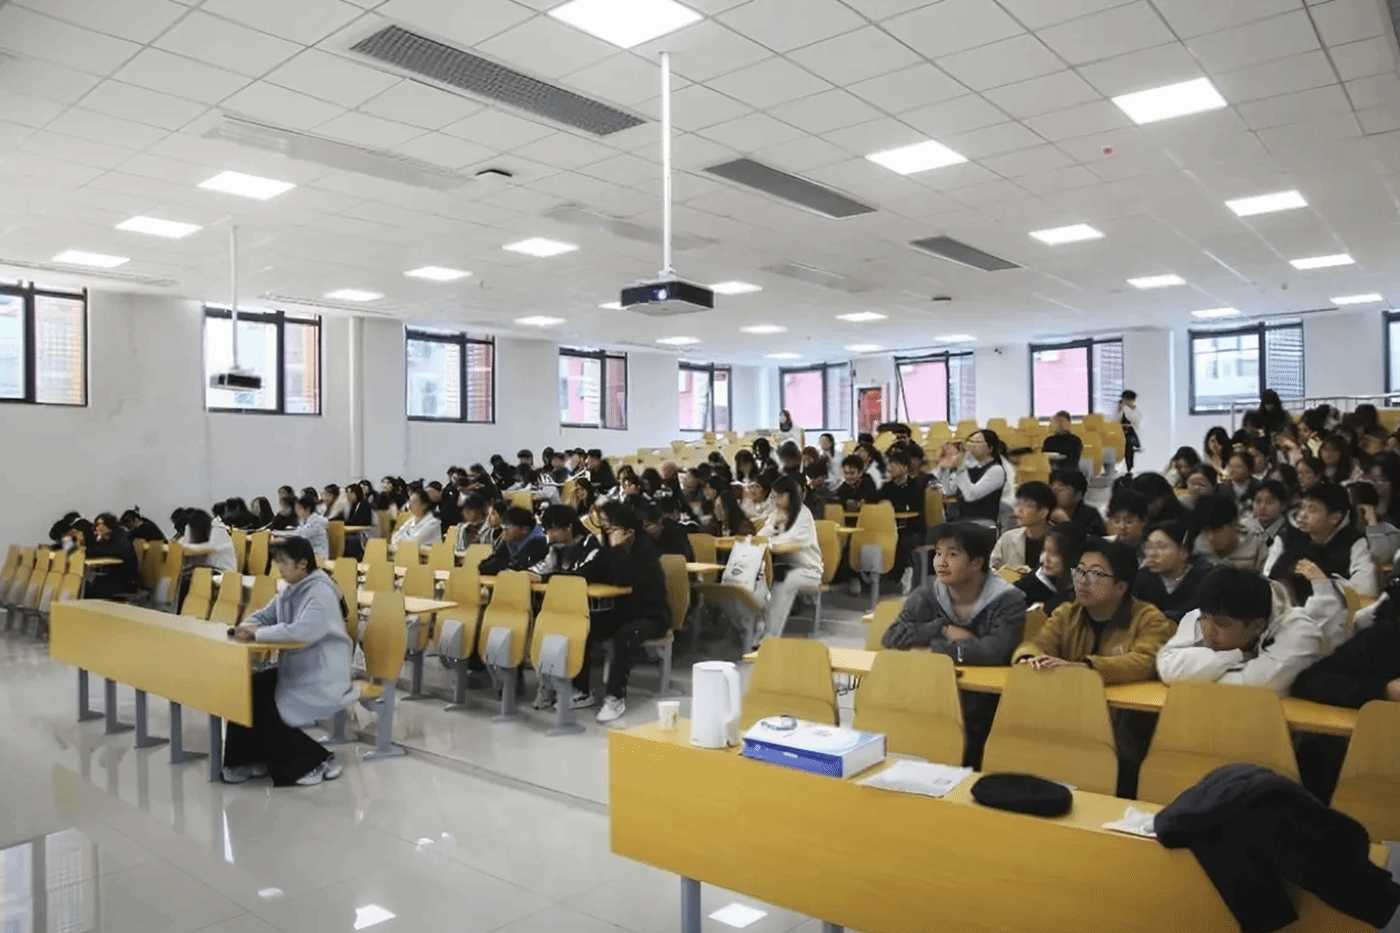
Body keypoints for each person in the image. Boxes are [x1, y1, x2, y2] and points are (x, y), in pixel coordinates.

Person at [223, 537, 354, 787]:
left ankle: (314, 761)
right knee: (248, 688)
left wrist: (257, 634)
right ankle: (245, 759)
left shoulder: (321, 592)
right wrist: (246, 626)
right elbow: (267, 615)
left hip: (323, 672)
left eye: (283, 562)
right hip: (298, 668)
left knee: (267, 702)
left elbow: (301, 632)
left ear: (302, 563)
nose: (279, 568)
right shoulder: (290, 589)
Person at [1013, 538, 1174, 682]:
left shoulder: (1148, 618)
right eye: (1080, 571)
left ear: (1120, 587)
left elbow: (1146, 661)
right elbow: (1039, 643)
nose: (1083, 581)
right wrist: (1028, 658)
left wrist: (1087, 667)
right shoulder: (1067, 613)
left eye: (1096, 573)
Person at [1158, 565, 1334, 696]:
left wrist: (1196, 675)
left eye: (1222, 624)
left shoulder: (1300, 632)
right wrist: (1238, 655)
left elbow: (1258, 687)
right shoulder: (1207, 614)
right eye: (1203, 618)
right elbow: (1168, 668)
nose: (1208, 631)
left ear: (1257, 626)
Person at [568, 502, 671, 724]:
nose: (607, 532)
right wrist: (548, 577)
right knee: (584, 625)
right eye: (605, 528)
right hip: (623, 613)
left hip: (651, 616)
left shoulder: (647, 555)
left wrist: (616, 549)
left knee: (625, 635)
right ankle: (581, 691)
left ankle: (615, 697)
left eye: (611, 528)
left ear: (629, 532)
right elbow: (588, 572)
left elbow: (625, 580)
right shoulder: (608, 552)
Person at [1264, 482, 1377, 599]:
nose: (1302, 515)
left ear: (1335, 517)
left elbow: (1366, 589)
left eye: (1312, 510)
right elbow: (1267, 578)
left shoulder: (1354, 542)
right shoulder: (1286, 537)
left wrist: (1322, 582)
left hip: (1334, 607)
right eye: (1302, 508)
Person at [758, 476, 825, 641]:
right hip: (784, 565)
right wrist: (773, 526)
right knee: (760, 579)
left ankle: (770, 637)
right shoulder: (776, 514)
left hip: (808, 570)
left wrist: (770, 542)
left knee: (785, 582)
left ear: (791, 495)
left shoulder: (804, 514)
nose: (776, 501)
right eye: (774, 496)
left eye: (780, 496)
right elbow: (759, 537)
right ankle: (757, 631)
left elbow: (793, 540)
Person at [1132, 520, 1211, 622]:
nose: (1151, 554)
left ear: (1183, 552)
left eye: (1161, 547)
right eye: (1148, 547)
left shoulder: (1205, 579)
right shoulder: (1142, 578)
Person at [935, 430, 1008, 528]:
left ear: (990, 448)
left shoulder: (996, 470)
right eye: (971, 442)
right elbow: (949, 491)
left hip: (984, 522)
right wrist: (944, 469)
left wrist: (960, 467)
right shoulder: (970, 468)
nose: (972, 446)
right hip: (964, 520)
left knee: (941, 531)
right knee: (937, 529)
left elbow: (971, 495)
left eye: (977, 442)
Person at [1014, 523, 1084, 614]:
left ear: (1073, 557)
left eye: (1054, 553)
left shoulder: (1085, 583)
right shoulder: (1030, 584)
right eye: (1044, 550)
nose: (1045, 558)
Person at [879, 449, 926, 579]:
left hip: (913, 529)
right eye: (890, 464)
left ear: (905, 468)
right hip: (891, 527)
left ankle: (898, 576)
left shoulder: (916, 486)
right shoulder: (886, 487)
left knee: (903, 542)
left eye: (895, 464)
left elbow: (916, 510)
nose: (891, 467)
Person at [527, 505, 602, 584]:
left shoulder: (591, 548)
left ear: (568, 527)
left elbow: (579, 576)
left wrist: (543, 578)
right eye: (546, 530)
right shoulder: (554, 547)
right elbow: (540, 569)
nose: (550, 535)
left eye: (554, 530)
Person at [990, 481, 1055, 573]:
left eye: (1027, 505)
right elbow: (992, 568)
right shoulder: (1008, 538)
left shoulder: (1059, 540)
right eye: (1018, 503)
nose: (1019, 510)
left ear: (1043, 512)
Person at [1192, 495, 1267, 571]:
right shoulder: (1200, 548)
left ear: (1234, 525)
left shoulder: (1256, 546)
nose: (1210, 537)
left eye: (1217, 531)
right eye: (1206, 531)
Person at [478, 506, 547, 575]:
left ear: (524, 530)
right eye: (504, 527)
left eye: (507, 527)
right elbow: (490, 563)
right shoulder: (510, 540)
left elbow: (521, 568)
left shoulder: (539, 542)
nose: (504, 531)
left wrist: (502, 566)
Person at [85, 512, 140, 599]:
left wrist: (99, 542)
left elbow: (118, 551)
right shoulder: (105, 539)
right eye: (97, 525)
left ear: (110, 524)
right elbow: (94, 550)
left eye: (102, 524)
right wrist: (98, 540)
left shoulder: (121, 535)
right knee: (86, 587)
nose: (99, 527)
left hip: (125, 581)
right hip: (111, 578)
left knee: (89, 591)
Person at [1049, 469, 1106, 536]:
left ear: (1078, 495)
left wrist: (1066, 523)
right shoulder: (1045, 510)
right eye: (1052, 487)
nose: (1055, 492)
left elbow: (1094, 540)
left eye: (1061, 488)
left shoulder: (1090, 515)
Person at [1105, 488, 1150, 561]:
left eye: (1128, 522)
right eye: (1116, 521)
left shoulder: (1153, 550)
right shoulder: (1104, 548)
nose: (1122, 527)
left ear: (1144, 520)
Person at [1243, 480, 1290, 546]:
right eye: (1258, 501)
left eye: (1269, 502)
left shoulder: (1289, 532)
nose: (1262, 507)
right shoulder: (1243, 527)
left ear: (1283, 506)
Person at [285, 493, 330, 560]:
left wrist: (284, 538)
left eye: (299, 509)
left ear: (307, 509)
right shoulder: (303, 520)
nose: (297, 512)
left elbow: (302, 536)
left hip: (318, 555)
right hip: (308, 552)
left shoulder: (316, 521)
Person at [1117, 390, 1142, 474]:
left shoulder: (1135, 410)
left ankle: (1129, 469)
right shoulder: (1119, 408)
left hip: (1130, 434)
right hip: (1120, 434)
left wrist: (1126, 409)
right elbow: (1115, 420)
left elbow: (1135, 420)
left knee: (1129, 453)